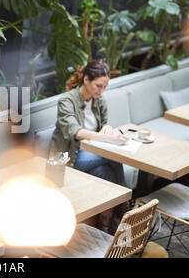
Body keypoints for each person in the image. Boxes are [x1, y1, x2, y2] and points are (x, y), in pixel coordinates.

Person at [49, 60, 130, 233]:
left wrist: (107, 129)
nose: (101, 91)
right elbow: (75, 131)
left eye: (104, 87)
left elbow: (103, 126)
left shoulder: (99, 101)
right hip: (67, 157)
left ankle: (105, 223)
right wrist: (110, 140)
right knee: (112, 154)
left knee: (104, 173)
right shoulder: (66, 100)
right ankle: (125, 208)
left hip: (91, 156)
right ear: (86, 80)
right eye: (98, 85)